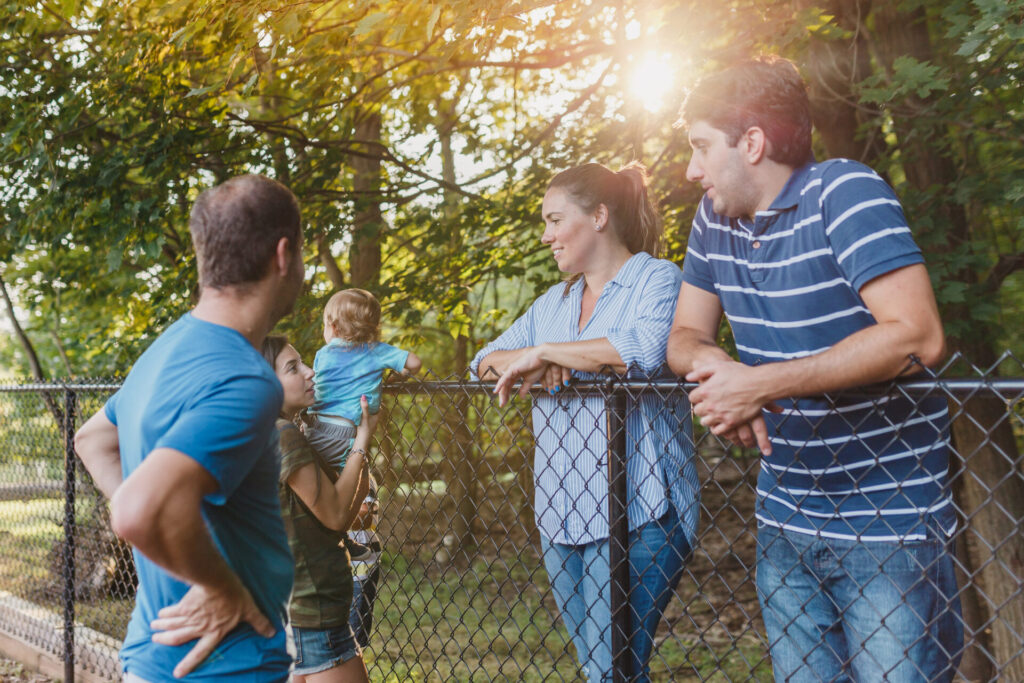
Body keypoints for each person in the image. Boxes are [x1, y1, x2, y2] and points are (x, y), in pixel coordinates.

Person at [667, 56, 963, 682]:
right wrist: (718, 368)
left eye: (700, 147)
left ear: (752, 143)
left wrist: (760, 383)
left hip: (889, 529)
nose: (692, 169)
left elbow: (918, 336)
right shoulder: (712, 221)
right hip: (784, 524)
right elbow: (685, 336)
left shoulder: (844, 191)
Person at [472, 162, 699, 682]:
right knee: (606, 669)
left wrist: (552, 353)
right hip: (561, 514)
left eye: (555, 220)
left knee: (610, 670)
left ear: (599, 216)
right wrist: (539, 356)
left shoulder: (656, 278)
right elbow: (483, 360)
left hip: (641, 510)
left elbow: (642, 349)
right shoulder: (554, 302)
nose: (547, 236)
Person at [73, 175, 305, 681]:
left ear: (207, 257)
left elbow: (92, 441)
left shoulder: (164, 350)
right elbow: (137, 509)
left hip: (149, 657)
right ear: (283, 255)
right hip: (227, 667)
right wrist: (222, 589)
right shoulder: (249, 379)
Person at [262, 335, 377, 683]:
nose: (310, 373)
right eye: (293, 368)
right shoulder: (282, 435)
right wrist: (361, 439)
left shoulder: (270, 430)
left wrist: (356, 448)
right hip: (311, 612)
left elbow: (343, 506)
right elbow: (337, 515)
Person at [304, 288, 419, 559]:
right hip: (347, 433)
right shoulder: (376, 351)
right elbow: (414, 362)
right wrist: (400, 371)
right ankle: (341, 536)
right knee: (359, 480)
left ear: (331, 327)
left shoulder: (323, 354)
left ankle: (317, 538)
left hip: (313, 427)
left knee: (318, 485)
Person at [347, 473, 382, 648]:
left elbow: (365, 513)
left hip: (360, 568)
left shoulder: (361, 473)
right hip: (335, 564)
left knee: (354, 636)